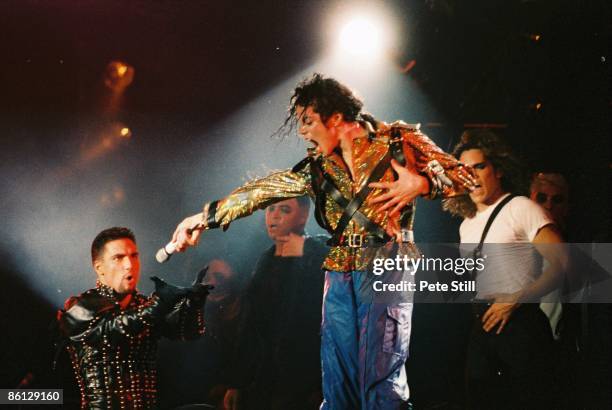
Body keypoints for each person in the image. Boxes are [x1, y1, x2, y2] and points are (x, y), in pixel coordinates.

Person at [170, 73, 476, 409]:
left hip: (388, 263)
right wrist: (204, 218)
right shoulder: (316, 169)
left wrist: (423, 184)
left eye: (308, 121)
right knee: (337, 380)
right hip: (340, 268)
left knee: (381, 378)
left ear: (335, 118)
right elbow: (263, 190)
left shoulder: (397, 141)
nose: (302, 131)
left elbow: (465, 177)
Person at [443, 130, 566, 410]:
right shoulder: (467, 223)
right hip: (483, 326)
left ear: (497, 170)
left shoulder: (521, 207)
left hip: (521, 326)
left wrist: (515, 299)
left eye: (479, 167)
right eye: (464, 170)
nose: (471, 176)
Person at [56, 227, 211, 409]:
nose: (129, 264)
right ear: (99, 268)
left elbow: (186, 333)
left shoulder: (144, 305)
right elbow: (115, 330)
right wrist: (159, 304)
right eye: (118, 258)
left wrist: (194, 303)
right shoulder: (80, 307)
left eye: (134, 256)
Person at [223, 196, 328, 410]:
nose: (275, 215)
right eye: (271, 209)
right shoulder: (265, 261)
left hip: (305, 381)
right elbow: (249, 326)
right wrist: (237, 382)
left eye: (285, 209)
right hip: (264, 380)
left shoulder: (320, 252)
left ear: (303, 216)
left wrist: (321, 387)